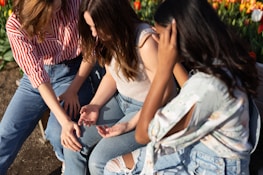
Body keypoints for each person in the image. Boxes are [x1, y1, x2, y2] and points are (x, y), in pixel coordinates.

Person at [104, 0, 261, 174]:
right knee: (114, 166)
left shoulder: (208, 85)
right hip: (204, 149)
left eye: (163, 37)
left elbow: (144, 133)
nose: (160, 44)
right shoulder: (221, 64)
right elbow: (192, 92)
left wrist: (163, 71)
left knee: (113, 170)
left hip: (212, 165)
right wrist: (172, 61)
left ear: (182, 36)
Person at [62, 0, 188, 174]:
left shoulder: (145, 41)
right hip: (121, 101)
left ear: (112, 20)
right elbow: (112, 76)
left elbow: (166, 93)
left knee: (99, 161)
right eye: (90, 27)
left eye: (96, 26)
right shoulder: (108, 37)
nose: (93, 33)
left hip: (148, 110)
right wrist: (95, 105)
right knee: (73, 143)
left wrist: (129, 124)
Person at [0, 0, 97, 174]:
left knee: (56, 131)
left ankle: (69, 162)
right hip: (36, 78)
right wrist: (64, 119)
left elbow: (91, 50)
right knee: (6, 134)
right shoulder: (16, 24)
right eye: (52, 10)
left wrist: (73, 90)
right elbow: (37, 77)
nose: (58, 11)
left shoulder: (73, 4)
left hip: (73, 74)